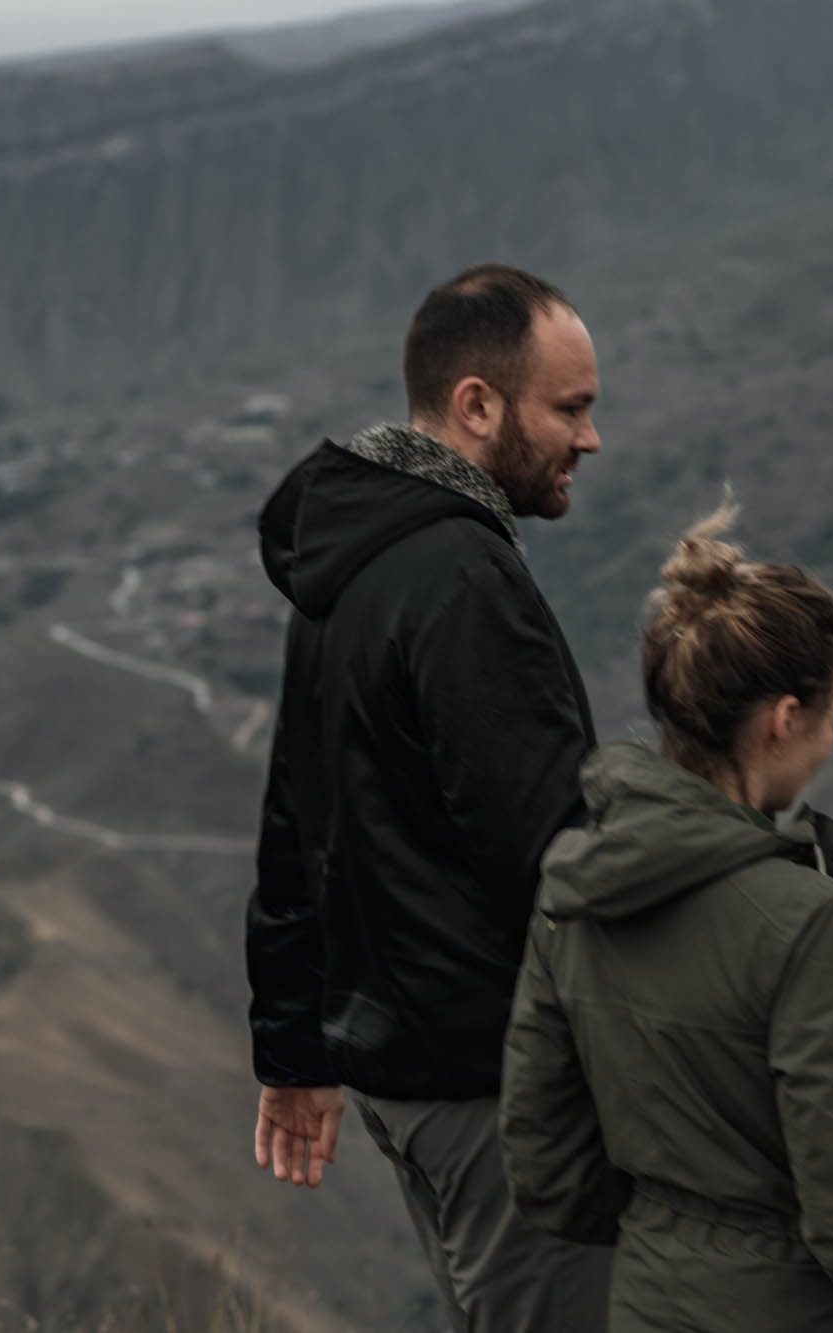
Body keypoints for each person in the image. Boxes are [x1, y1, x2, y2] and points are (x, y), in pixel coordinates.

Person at [499, 501, 833, 1331]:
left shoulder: (571, 892)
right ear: (784, 719)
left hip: (651, 1304)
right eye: (832, 716)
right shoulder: (805, 921)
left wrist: (671, 1237)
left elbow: (547, 1167)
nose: (830, 741)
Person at [245, 263, 614, 1331]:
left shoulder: (349, 559)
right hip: (497, 1079)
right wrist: (762, 931)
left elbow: (294, 813)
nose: (589, 439)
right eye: (571, 408)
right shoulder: (459, 577)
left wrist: (293, 1045)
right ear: (476, 404)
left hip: (401, 1077)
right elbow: (557, 848)